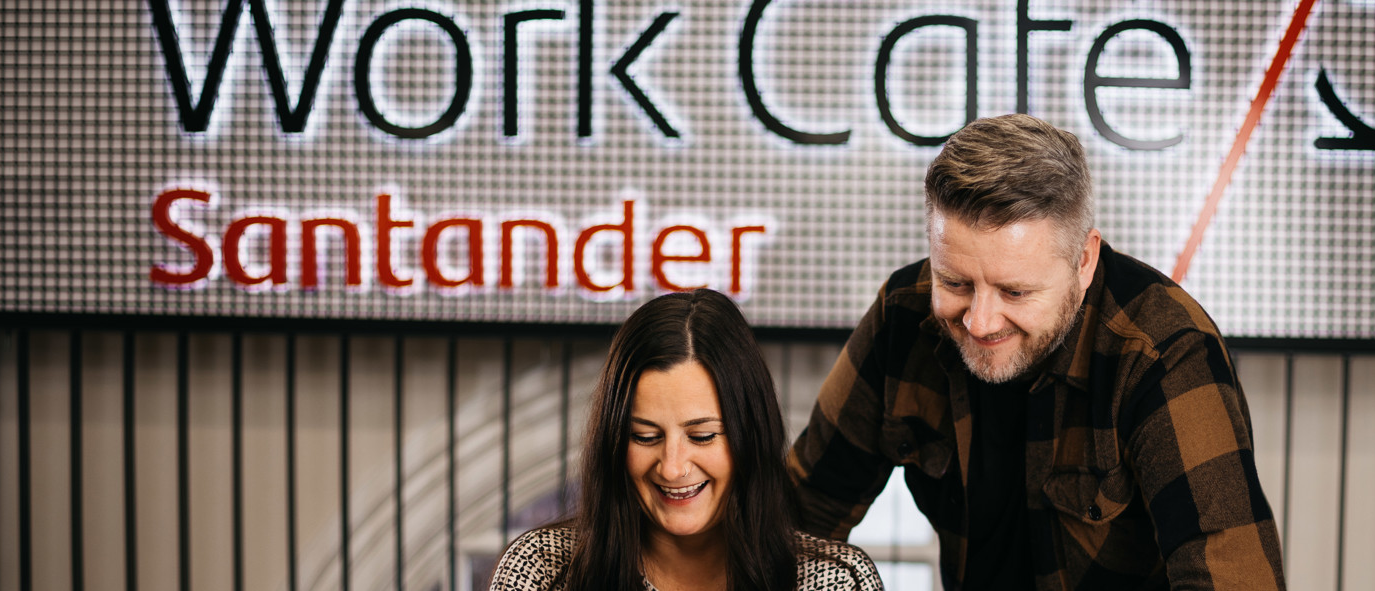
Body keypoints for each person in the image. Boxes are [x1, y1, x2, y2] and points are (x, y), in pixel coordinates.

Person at [788, 114, 1284, 590]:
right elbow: (794, 520)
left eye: (1015, 292)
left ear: (1083, 261)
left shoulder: (1164, 353)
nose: (980, 322)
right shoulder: (903, 314)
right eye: (955, 283)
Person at [490, 289, 882, 591]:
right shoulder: (541, 571)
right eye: (644, 436)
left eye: (702, 436)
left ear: (750, 435)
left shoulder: (834, 581)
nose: (672, 467)